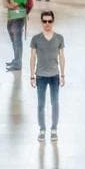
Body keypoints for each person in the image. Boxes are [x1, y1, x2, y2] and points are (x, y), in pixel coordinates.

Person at [29, 10, 65, 143]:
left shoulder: (59, 38)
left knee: (55, 103)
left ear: (53, 21)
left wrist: (62, 75)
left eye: (49, 21)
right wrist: (32, 75)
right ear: (41, 22)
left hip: (55, 75)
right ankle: (42, 129)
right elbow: (32, 57)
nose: (47, 24)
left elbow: (62, 57)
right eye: (44, 21)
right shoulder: (36, 39)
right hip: (40, 76)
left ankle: (54, 129)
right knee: (41, 104)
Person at [4, 0, 29, 71]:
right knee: (13, 41)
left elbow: (14, 5)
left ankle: (18, 64)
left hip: (18, 19)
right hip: (11, 18)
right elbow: (6, 4)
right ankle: (16, 60)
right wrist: (11, 5)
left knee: (17, 41)